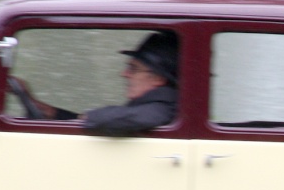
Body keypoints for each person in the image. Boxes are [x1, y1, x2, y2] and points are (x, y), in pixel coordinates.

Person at [10, 30, 178, 134]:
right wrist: (48, 112)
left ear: (158, 79)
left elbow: (123, 119)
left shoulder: (162, 108)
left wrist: (89, 117)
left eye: (133, 69)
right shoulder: (156, 104)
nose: (124, 74)